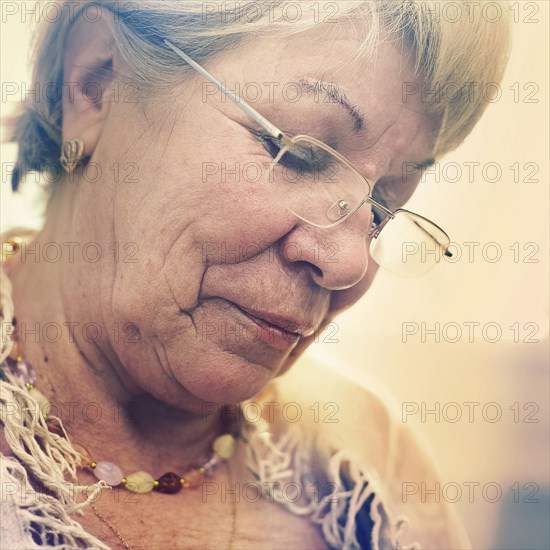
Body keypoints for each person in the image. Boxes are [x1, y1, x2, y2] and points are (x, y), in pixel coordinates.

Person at [1, 1, 511, 548]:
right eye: (299, 155)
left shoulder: (372, 466)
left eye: (385, 203)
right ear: (96, 81)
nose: (348, 264)